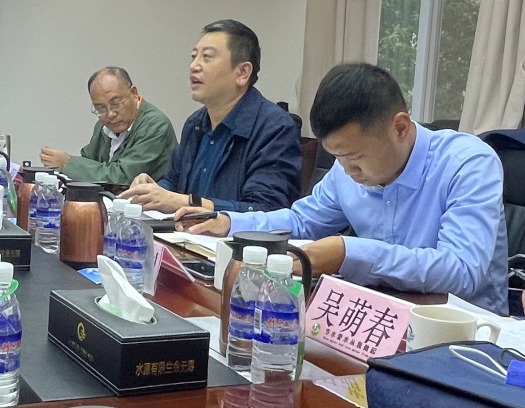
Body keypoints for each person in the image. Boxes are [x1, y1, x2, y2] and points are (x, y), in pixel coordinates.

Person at [178, 62, 509, 314]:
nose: (348, 171)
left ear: (400, 127)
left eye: (355, 157)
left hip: (464, 335)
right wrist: (231, 223)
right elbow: (302, 221)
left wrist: (349, 253)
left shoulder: (467, 163)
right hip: (378, 314)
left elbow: (462, 271)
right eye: (337, 157)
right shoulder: (345, 170)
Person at [121, 20, 301, 213]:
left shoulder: (275, 127)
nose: (194, 66)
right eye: (193, 57)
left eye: (207, 57)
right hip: (185, 232)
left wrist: (187, 202)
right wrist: (152, 190)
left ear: (242, 73)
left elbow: (266, 209)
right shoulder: (195, 123)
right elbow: (174, 183)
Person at [39, 67, 176, 184]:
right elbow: (88, 161)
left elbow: (123, 177)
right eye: (100, 108)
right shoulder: (103, 126)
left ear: (134, 93)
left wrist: (67, 164)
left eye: (116, 103)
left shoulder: (155, 125)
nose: (110, 114)